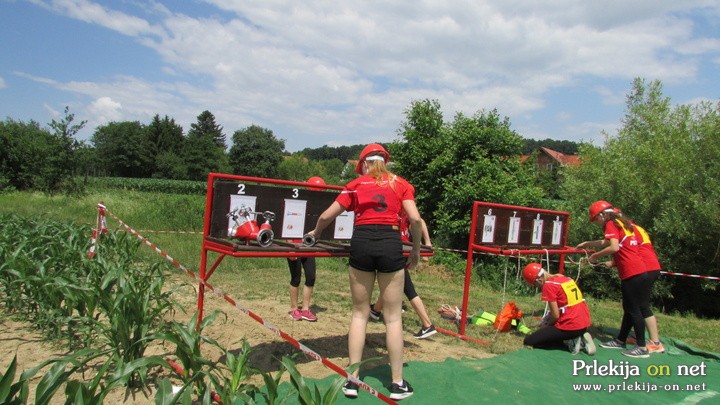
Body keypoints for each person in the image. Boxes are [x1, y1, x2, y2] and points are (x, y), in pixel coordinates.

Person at [304, 143, 421, 400]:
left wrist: (316, 233)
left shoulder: (356, 185)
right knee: (392, 318)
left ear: (365, 164)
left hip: (362, 242)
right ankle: (397, 382)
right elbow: (415, 220)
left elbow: (326, 216)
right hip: (391, 244)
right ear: (385, 162)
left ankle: (352, 380)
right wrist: (414, 249)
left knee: (359, 314)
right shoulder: (400, 183)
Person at [576, 200, 650, 358]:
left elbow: (614, 247)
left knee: (634, 310)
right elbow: (609, 241)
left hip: (632, 271)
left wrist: (595, 255)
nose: (597, 222)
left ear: (602, 214)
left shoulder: (610, 222)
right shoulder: (620, 222)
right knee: (629, 309)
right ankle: (621, 340)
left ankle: (642, 346)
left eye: (596, 219)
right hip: (639, 270)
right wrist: (589, 243)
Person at [371, 215, 436, 339]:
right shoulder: (401, 208)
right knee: (390, 282)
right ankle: (375, 310)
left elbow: (419, 221)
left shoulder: (399, 208)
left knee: (408, 289)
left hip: (398, 250)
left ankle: (427, 324)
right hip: (398, 249)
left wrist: (426, 243)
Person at [610, 208, 665, 353]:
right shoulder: (636, 227)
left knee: (640, 306)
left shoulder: (626, 229)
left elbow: (625, 250)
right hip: (651, 266)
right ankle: (626, 338)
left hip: (645, 267)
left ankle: (654, 342)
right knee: (635, 305)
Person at [521, 263, 595, 355]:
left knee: (530, 341)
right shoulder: (563, 277)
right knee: (548, 333)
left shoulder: (548, 286)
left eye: (535, 284)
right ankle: (576, 337)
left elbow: (555, 315)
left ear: (539, 280)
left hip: (571, 325)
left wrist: (547, 325)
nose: (537, 287)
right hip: (584, 323)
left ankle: (570, 342)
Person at [287, 176, 326, 322]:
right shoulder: (297, 203)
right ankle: (293, 309)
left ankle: (305, 308)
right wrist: (290, 245)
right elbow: (287, 223)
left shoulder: (317, 207)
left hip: (309, 246)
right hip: (295, 246)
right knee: (295, 278)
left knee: (311, 277)